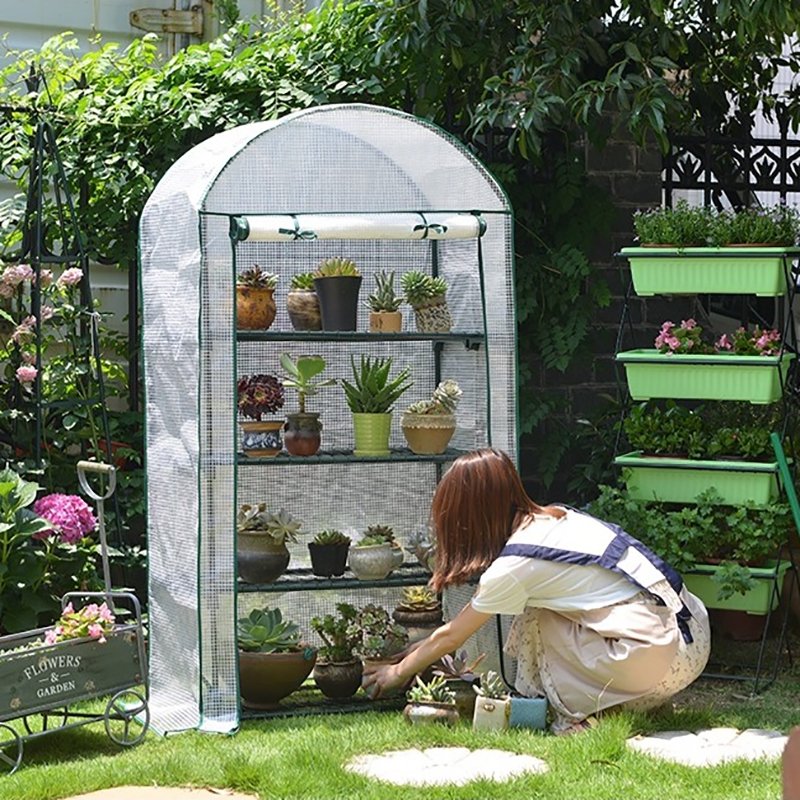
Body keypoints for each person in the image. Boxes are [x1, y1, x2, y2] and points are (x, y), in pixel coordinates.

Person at [361, 447, 711, 734]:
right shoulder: (556, 518)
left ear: (471, 516)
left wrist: (397, 672)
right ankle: (622, 705)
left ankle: (573, 717)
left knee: (537, 617)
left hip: (660, 657)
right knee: (542, 608)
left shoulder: (515, 566)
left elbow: (453, 635)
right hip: (692, 635)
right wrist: (406, 652)